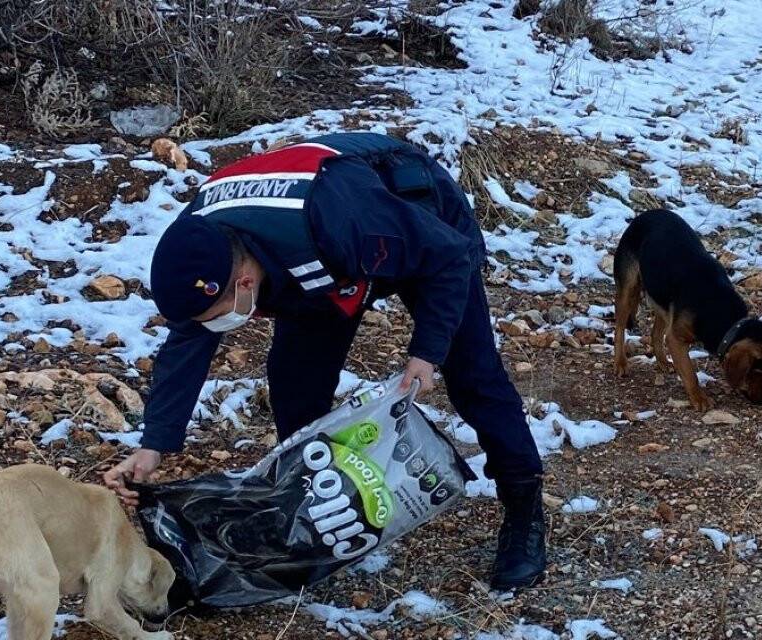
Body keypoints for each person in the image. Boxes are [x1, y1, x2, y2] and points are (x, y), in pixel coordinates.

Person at [102, 132, 546, 591]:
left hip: (417, 218)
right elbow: (186, 342)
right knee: (295, 382)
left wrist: (426, 354)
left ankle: (523, 508)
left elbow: (449, 258)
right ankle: (317, 511)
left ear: (246, 281)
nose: (217, 326)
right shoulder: (197, 248)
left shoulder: (343, 220)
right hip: (317, 264)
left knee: (472, 373)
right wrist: (153, 444)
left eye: (220, 317)